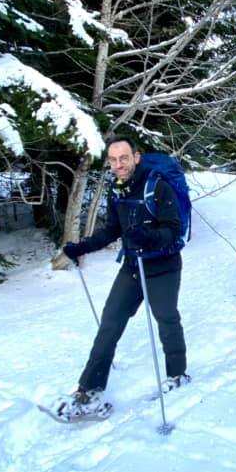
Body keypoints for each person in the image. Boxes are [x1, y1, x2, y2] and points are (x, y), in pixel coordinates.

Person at [55, 137, 189, 421]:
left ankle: (177, 374)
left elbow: (173, 231)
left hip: (163, 266)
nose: (118, 164)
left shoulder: (157, 186)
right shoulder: (116, 189)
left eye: (124, 158)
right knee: (110, 323)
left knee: (166, 319)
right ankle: (88, 391)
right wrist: (82, 247)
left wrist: (147, 237)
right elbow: (111, 231)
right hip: (132, 266)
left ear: (136, 157)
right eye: (113, 160)